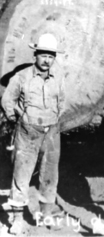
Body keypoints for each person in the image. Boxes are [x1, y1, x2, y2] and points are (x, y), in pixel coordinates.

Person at [1, 33, 66, 234]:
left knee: (49, 175)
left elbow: (63, 102)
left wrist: (53, 120)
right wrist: (18, 119)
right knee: (22, 174)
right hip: (27, 131)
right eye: (44, 55)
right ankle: (17, 218)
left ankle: (46, 214)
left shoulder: (59, 77)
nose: (47, 60)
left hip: (52, 132)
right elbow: (7, 101)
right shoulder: (21, 77)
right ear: (35, 55)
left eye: (51, 56)